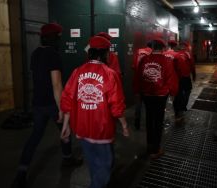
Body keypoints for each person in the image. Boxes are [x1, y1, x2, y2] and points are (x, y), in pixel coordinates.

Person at [11, 23, 81, 188]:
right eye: (59, 36)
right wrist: (62, 109)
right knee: (65, 130)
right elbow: (56, 85)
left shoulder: (35, 53)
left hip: (37, 103)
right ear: (54, 37)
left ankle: (21, 174)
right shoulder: (53, 54)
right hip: (51, 104)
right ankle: (67, 158)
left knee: (34, 137)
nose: (60, 39)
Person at [60, 36, 129, 188]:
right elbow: (116, 105)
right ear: (105, 53)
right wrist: (124, 125)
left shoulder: (77, 72)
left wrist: (66, 125)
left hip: (82, 129)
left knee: (92, 164)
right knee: (105, 166)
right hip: (102, 130)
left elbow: (67, 100)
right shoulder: (110, 74)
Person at [133, 38, 178, 159]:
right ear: (163, 48)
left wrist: (137, 91)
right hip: (160, 96)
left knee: (149, 119)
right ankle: (156, 149)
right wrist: (173, 92)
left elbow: (138, 76)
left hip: (147, 95)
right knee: (158, 121)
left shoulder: (144, 59)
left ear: (152, 48)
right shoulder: (167, 60)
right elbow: (171, 78)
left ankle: (149, 145)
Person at [174, 41, 196, 119]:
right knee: (188, 91)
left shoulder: (175, 54)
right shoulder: (188, 54)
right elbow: (192, 65)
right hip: (185, 77)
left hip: (177, 77)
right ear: (186, 47)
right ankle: (182, 107)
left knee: (178, 93)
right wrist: (194, 75)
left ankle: (177, 109)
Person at [132, 45, 152, 130]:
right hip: (147, 82)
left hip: (137, 80)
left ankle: (137, 122)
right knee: (149, 105)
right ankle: (149, 123)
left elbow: (133, 66)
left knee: (138, 103)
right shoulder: (151, 52)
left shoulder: (139, 50)